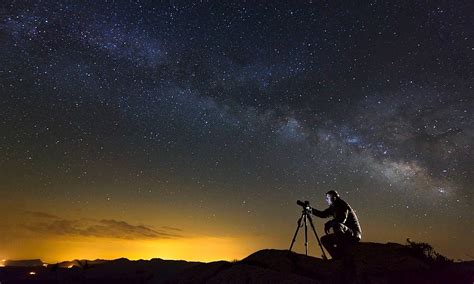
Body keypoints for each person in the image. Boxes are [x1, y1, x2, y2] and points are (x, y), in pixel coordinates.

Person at [311, 190, 362, 260]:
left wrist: (330, 223)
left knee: (337, 225)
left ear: (334, 197)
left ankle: (342, 253)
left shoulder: (343, 205)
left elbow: (342, 220)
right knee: (324, 239)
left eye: (327, 197)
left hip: (354, 233)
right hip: (345, 233)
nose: (326, 200)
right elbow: (322, 214)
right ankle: (337, 257)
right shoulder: (333, 207)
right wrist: (310, 210)